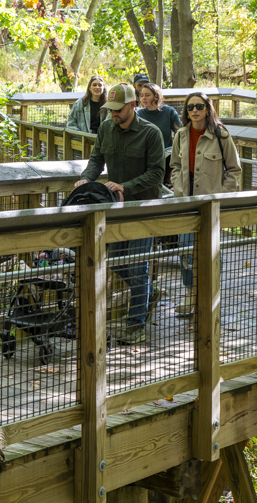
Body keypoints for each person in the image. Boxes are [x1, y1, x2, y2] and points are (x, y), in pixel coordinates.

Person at [75, 83, 165, 345]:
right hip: (117, 208)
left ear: (132, 105)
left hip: (143, 209)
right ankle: (148, 292)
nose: (113, 113)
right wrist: (86, 179)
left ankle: (136, 325)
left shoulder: (151, 133)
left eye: (118, 109)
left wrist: (127, 186)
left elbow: (157, 173)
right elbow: (96, 159)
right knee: (114, 261)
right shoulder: (106, 128)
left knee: (137, 266)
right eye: (110, 109)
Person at [169, 92, 241, 316]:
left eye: (199, 106)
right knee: (185, 249)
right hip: (186, 200)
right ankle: (191, 294)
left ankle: (210, 294)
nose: (194, 110)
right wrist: (178, 187)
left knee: (210, 249)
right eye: (190, 107)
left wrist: (222, 194)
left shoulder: (221, 135)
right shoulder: (180, 135)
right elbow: (174, 166)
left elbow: (234, 170)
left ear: (208, 109)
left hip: (211, 201)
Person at [136, 83, 181, 185]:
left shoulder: (169, 112)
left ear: (156, 96)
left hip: (167, 156)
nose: (143, 98)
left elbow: (180, 133)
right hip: (146, 157)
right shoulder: (138, 114)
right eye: (142, 95)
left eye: (147, 95)